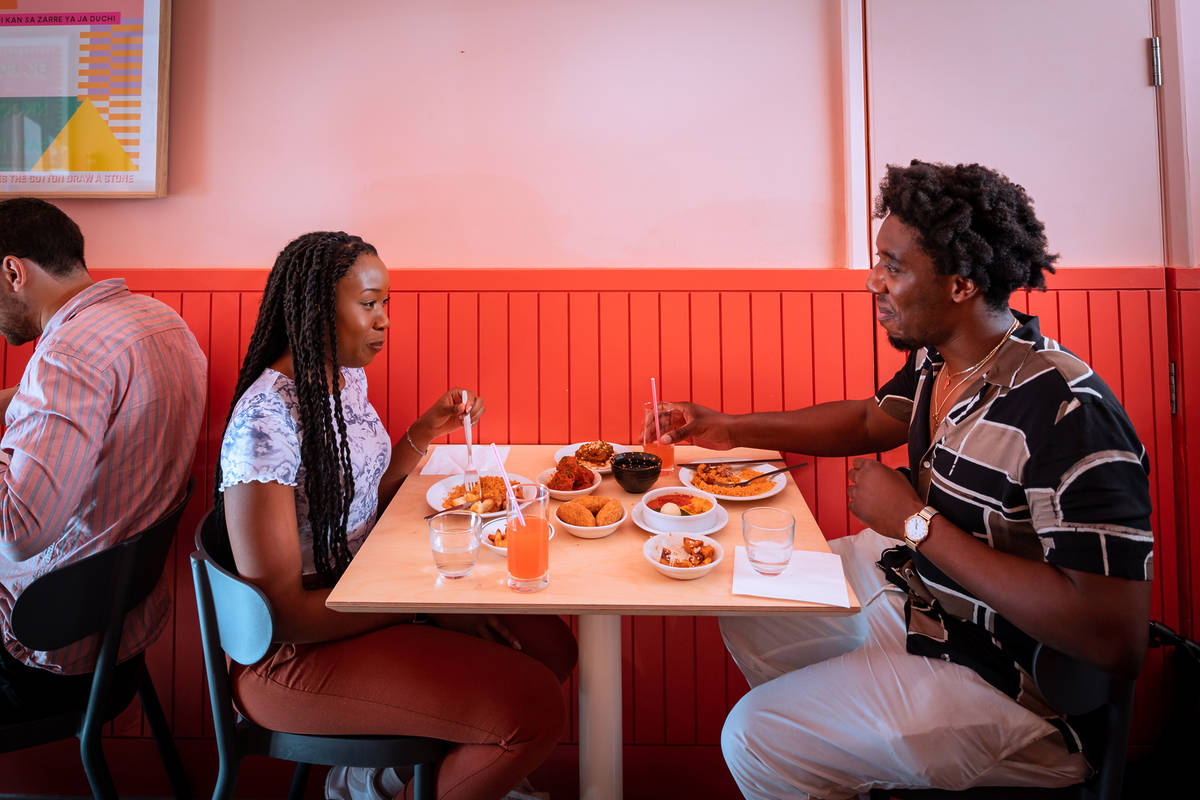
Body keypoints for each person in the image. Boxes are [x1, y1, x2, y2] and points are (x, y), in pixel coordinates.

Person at [654, 161, 1153, 799]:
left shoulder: (1067, 412)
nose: (872, 281)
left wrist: (916, 524)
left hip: (1017, 686)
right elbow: (870, 419)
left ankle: (826, 747)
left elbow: (1114, 640)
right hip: (926, 606)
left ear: (960, 284)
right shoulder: (940, 358)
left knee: (755, 736)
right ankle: (854, 754)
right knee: (753, 599)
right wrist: (732, 427)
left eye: (893, 265)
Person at [216, 231, 577, 800]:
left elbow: (365, 494)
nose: (383, 320)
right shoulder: (265, 422)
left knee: (551, 647)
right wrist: (420, 606)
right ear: (315, 309)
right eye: (368, 304)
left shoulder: (342, 379)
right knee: (531, 710)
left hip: (364, 595)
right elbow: (283, 616)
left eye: (386, 303)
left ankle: (378, 781)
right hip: (293, 656)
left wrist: (426, 431)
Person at [0, 197, 206, 718]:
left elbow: (19, 529)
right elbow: (71, 402)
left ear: (12, 271)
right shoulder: (158, 320)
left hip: (44, 654)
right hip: (119, 634)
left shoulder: (66, 356)